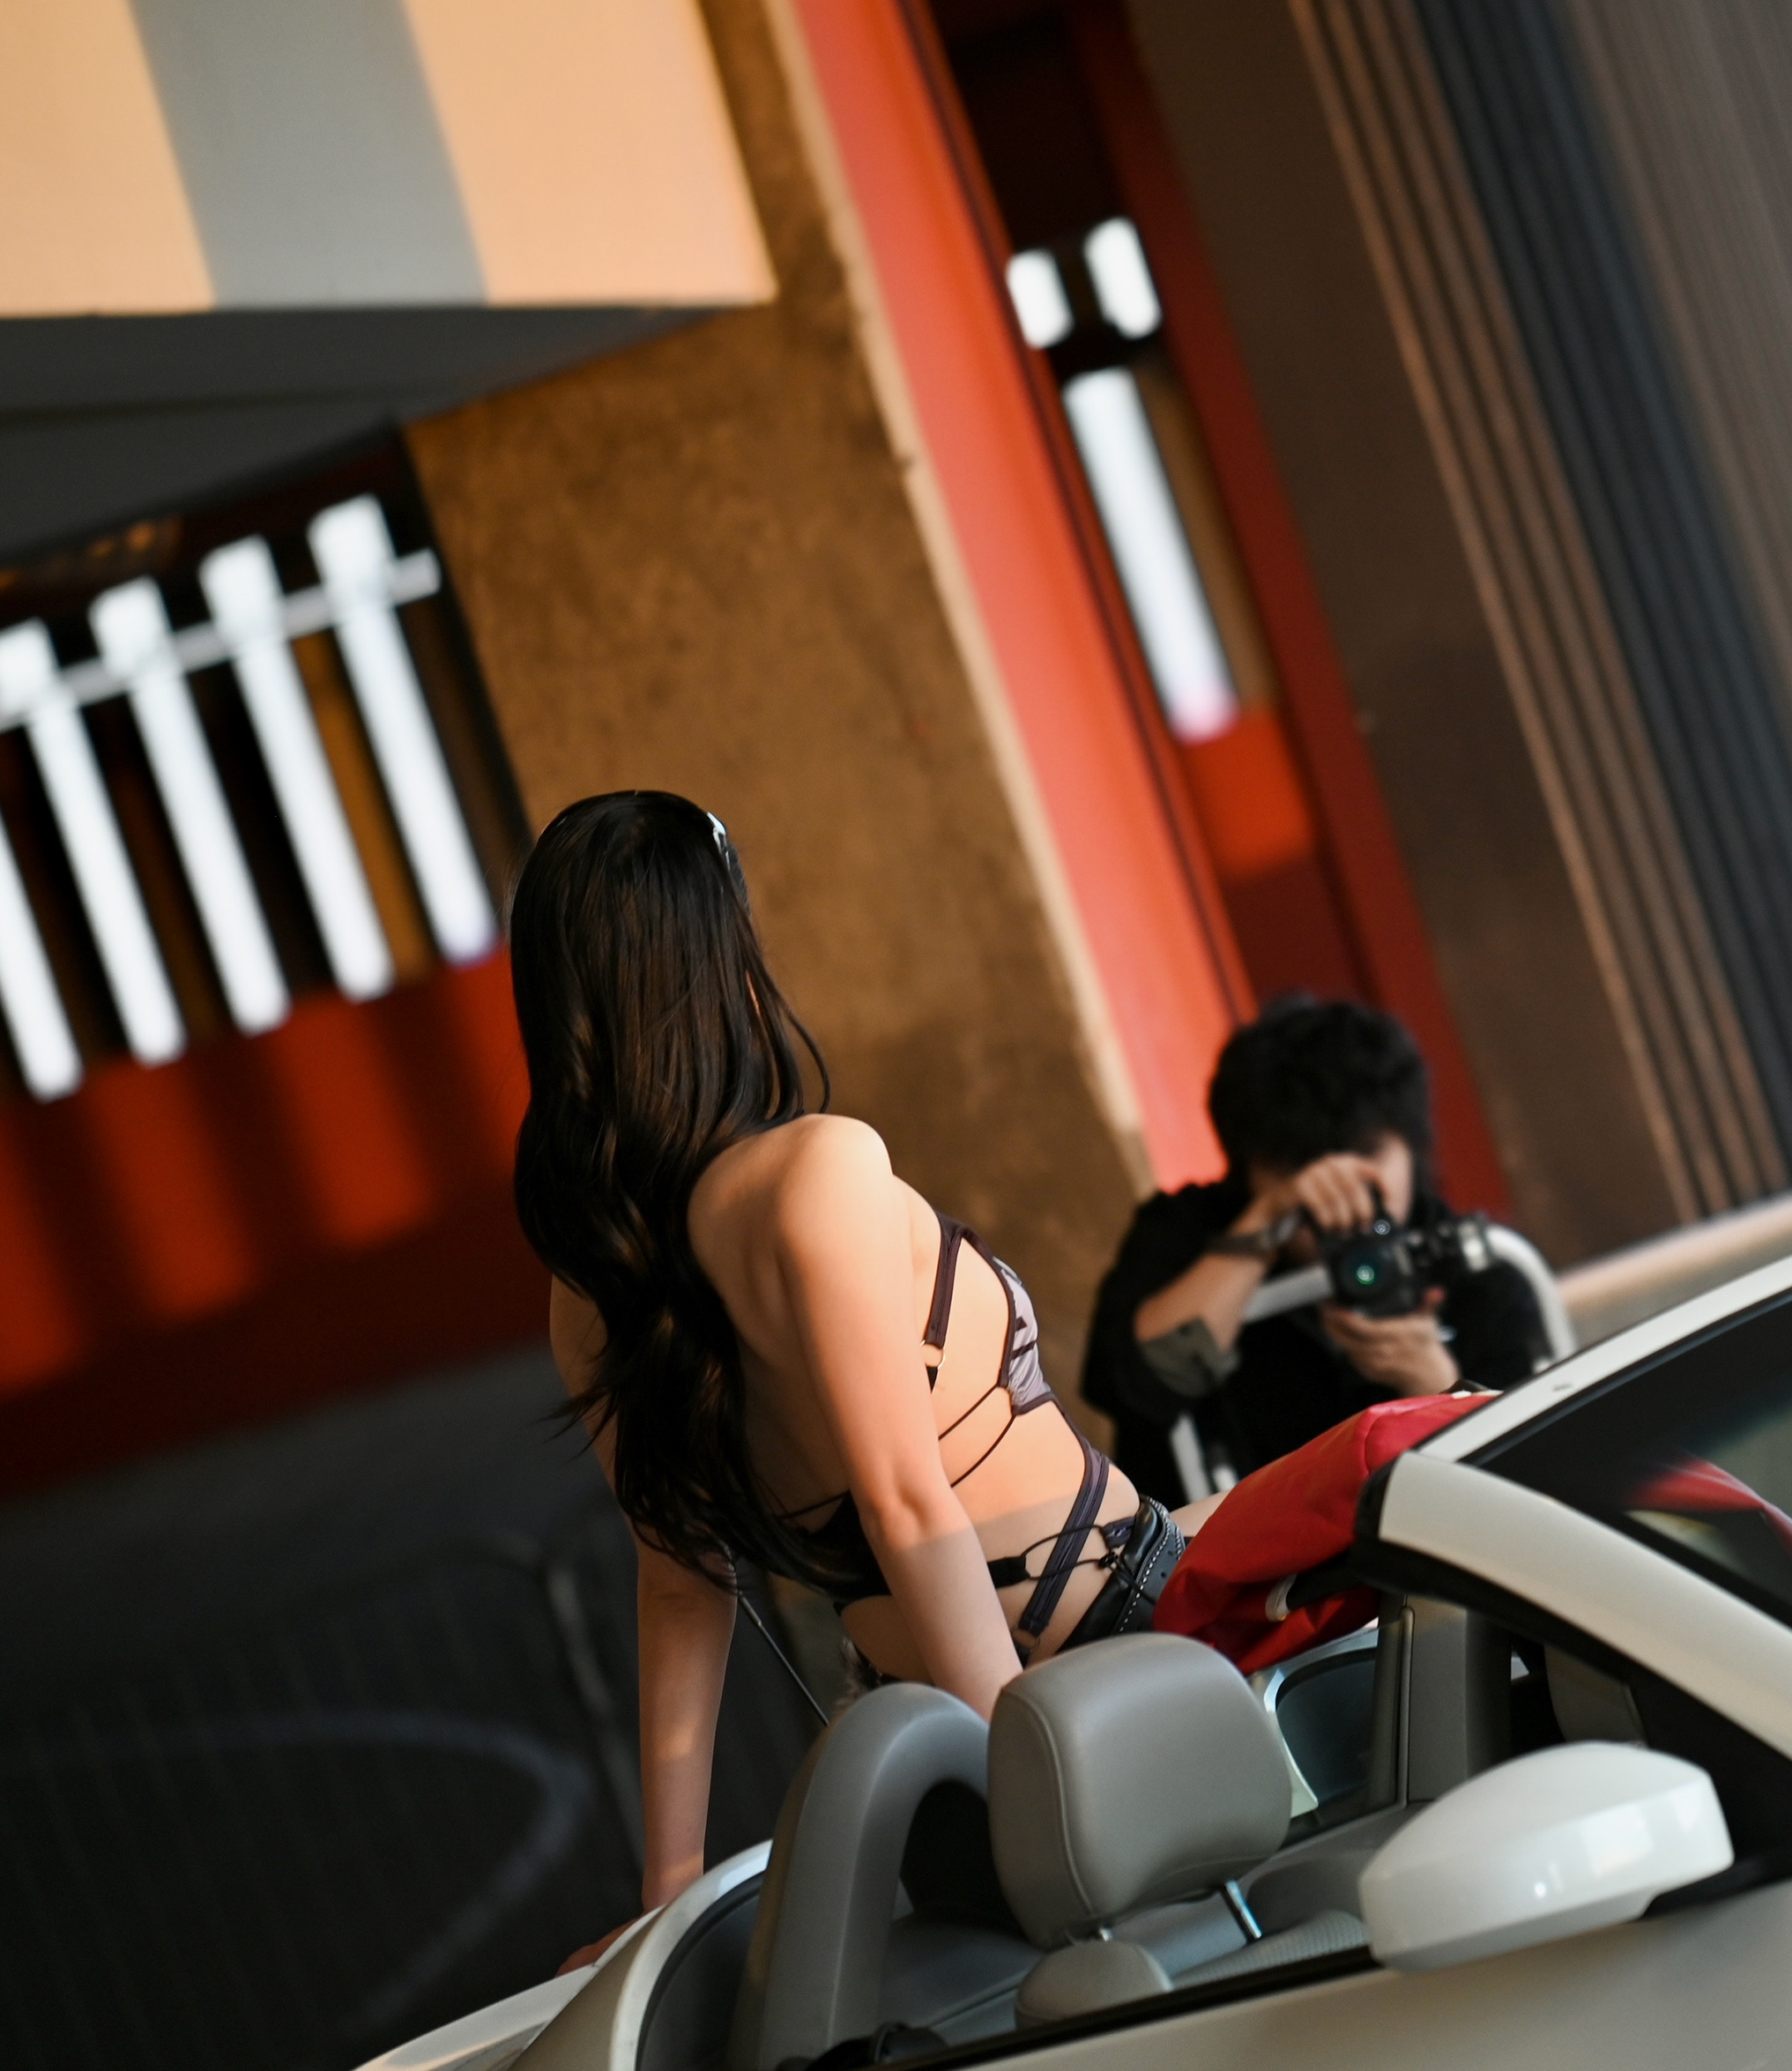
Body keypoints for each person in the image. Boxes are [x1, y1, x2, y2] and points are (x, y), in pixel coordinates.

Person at [516, 792, 1202, 1968]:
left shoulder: (592, 1291)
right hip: (1090, 1663)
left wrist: (669, 1890)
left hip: (925, 1750)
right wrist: (1029, 1780)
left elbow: (681, 1584)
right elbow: (906, 1502)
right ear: (718, 954)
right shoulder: (816, 1171)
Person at [1083, 997, 1547, 1503]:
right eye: (1296, 1166)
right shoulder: (1188, 1231)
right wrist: (1264, 1226)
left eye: (1367, 1154)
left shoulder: (1478, 1266)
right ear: (1247, 1169)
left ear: (1411, 1149)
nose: (1337, 1194)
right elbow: (1132, 1386)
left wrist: (1432, 1378)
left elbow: (1528, 1479)